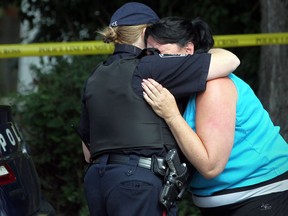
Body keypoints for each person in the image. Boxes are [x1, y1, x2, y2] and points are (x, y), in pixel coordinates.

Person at [77, 2, 240, 216]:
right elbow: (230, 60)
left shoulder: (96, 75)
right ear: (146, 32)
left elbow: (87, 150)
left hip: (98, 181)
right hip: (138, 184)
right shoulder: (150, 66)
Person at [141, 44, 288, 216]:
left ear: (188, 50)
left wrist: (171, 115)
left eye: (161, 52)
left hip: (260, 194)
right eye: (148, 52)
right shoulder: (181, 88)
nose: (153, 59)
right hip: (227, 201)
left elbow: (210, 167)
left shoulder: (215, 86)